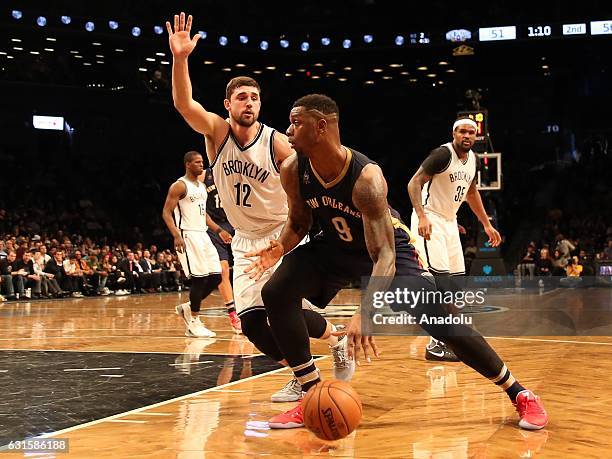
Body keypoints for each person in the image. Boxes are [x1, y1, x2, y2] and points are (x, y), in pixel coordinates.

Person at [246, 94, 547, 430]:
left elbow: (384, 257)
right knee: (276, 292)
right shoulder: (292, 169)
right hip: (333, 246)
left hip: (390, 250)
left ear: (321, 127)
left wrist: (366, 310)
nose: (288, 131)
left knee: (442, 321)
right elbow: (299, 222)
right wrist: (280, 247)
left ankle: (520, 393)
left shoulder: (366, 178)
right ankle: (312, 393)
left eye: (295, 122)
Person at [166, 11, 353, 402]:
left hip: (281, 236)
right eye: (241, 97)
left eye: (254, 97)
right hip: (245, 240)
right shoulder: (216, 133)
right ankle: (331, 343)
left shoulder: (278, 143)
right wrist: (180, 58)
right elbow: (185, 105)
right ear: (228, 104)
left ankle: (307, 378)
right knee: (253, 325)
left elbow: (308, 182)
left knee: (282, 310)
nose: (248, 103)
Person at [407, 118, 502, 361]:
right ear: (454, 133)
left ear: (476, 135)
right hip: (430, 220)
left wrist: (487, 224)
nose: (467, 135)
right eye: (462, 131)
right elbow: (414, 182)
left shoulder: (474, 161)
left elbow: (470, 193)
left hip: (448, 221)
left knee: (456, 285)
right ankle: (437, 342)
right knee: (441, 284)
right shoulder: (442, 154)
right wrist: (422, 216)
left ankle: (456, 338)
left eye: (471, 132)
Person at [162, 151, 221, 338]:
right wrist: (176, 235)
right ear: (188, 164)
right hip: (187, 235)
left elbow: (204, 214)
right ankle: (193, 322)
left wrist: (219, 230)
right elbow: (166, 212)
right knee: (199, 278)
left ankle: (188, 307)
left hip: (203, 234)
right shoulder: (179, 186)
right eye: (197, 162)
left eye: (202, 162)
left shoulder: (202, 186)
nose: (201, 165)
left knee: (216, 277)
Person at [201, 163, 242, 334]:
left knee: (246, 266)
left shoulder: (235, 170)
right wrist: (218, 229)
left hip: (237, 222)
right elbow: (200, 209)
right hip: (215, 227)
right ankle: (233, 314)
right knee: (223, 270)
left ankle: (251, 307)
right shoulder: (204, 176)